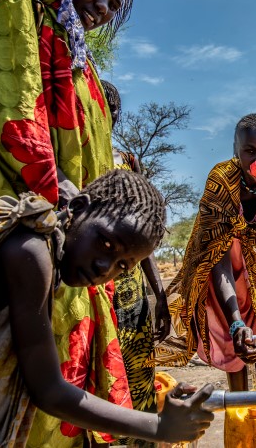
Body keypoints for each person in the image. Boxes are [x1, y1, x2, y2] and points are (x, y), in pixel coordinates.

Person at [0, 0, 140, 445]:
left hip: (69, 243)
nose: (104, 8)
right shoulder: (13, 8)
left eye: (115, 5)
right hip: (17, 233)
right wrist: (61, 199)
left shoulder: (83, 66)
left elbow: (98, 170)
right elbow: (6, 112)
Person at [0, 170, 214, 447]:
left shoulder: (42, 252)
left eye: (122, 266)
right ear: (78, 208)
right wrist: (159, 426)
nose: (104, 267)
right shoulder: (30, 253)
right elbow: (49, 392)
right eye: (106, 244)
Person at [156, 113, 256, 391]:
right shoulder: (223, 179)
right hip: (217, 265)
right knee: (232, 338)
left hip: (254, 263)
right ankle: (240, 412)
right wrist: (236, 322)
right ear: (235, 152)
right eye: (250, 151)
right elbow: (218, 256)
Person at [102, 80, 168, 445]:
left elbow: (145, 236)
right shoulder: (73, 156)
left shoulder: (127, 162)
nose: (105, 117)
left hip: (131, 293)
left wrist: (158, 293)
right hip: (92, 289)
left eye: (111, 112)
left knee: (139, 376)